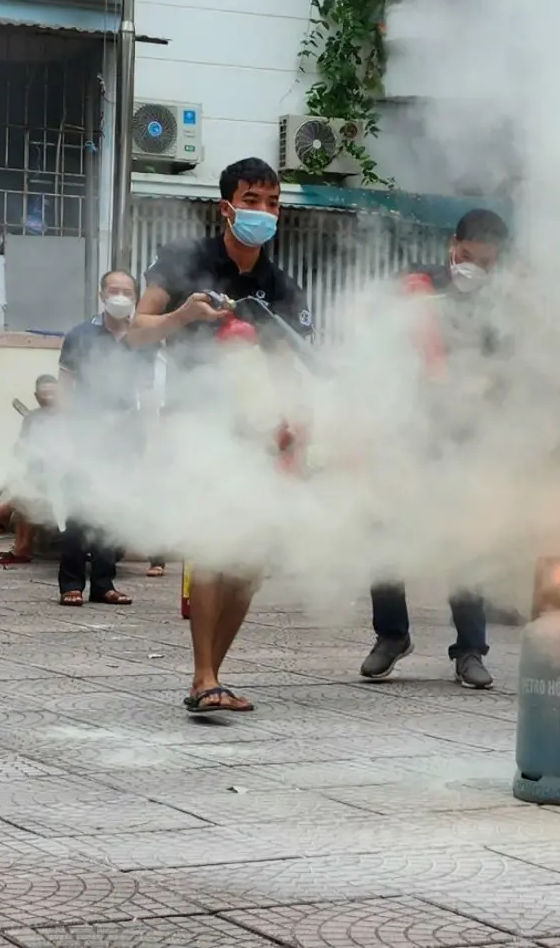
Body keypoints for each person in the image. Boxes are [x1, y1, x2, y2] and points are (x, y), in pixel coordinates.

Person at [128, 157, 313, 714]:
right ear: (226, 206)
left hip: (256, 432)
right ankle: (202, 677)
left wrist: (297, 431)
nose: (264, 213)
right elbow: (137, 334)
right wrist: (182, 317)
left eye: (274, 203)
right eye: (252, 200)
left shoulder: (279, 286)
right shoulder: (184, 261)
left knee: (249, 565)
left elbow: (288, 366)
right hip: (197, 425)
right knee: (212, 545)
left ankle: (212, 676)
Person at [360, 208, 512, 690]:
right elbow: (377, 346)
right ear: (455, 244)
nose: (476, 268)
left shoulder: (501, 306)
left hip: (464, 436)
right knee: (385, 533)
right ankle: (391, 635)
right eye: (469, 256)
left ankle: (470, 650)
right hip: (404, 429)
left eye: (486, 262)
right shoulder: (418, 286)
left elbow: (510, 370)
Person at [53, 270, 154, 606]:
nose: (121, 296)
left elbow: (147, 390)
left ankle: (104, 583)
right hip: (86, 429)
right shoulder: (81, 335)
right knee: (80, 509)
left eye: (128, 291)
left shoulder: (142, 338)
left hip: (124, 432)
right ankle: (70, 583)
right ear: (101, 294)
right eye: (114, 290)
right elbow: (65, 384)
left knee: (112, 507)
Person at [0, 375, 62, 565]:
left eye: (53, 392)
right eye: (44, 392)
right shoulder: (33, 418)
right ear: (36, 396)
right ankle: (18, 544)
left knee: (29, 490)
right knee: (27, 483)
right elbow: (20, 450)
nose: (49, 396)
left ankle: (0, 513)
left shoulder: (70, 417)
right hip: (41, 478)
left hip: (65, 482)